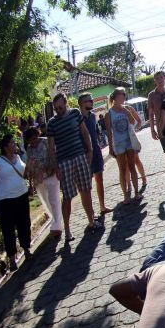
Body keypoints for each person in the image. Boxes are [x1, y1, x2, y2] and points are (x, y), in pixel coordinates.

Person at [46, 92, 98, 240]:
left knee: (86, 190)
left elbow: (84, 132)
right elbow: (51, 148)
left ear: (66, 103)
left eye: (61, 107)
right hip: (64, 162)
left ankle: (91, 221)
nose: (58, 111)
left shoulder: (75, 113)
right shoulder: (52, 123)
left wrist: (90, 150)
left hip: (80, 156)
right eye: (56, 109)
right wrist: (56, 167)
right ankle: (67, 230)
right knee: (67, 196)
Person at [0, 133, 32, 271]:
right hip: (5, 201)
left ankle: (27, 249)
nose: (15, 144)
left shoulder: (18, 158)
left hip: (22, 196)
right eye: (12, 143)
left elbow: (24, 174)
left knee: (24, 224)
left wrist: (29, 166)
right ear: (6, 147)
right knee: (8, 230)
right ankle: (12, 259)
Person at [103, 87, 144, 206]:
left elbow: (133, 122)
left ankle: (136, 192)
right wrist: (111, 148)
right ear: (115, 97)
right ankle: (126, 195)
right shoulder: (109, 114)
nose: (124, 97)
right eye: (122, 94)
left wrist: (127, 112)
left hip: (129, 142)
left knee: (132, 167)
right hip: (118, 144)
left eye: (124, 95)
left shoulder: (126, 109)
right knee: (122, 169)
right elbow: (109, 132)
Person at [23, 126, 63, 239]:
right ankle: (55, 219)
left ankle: (57, 226)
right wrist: (31, 180)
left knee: (54, 199)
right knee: (46, 201)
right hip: (39, 178)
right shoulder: (29, 148)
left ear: (38, 135)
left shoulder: (46, 141)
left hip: (51, 174)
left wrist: (55, 168)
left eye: (34, 138)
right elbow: (30, 163)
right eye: (30, 140)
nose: (33, 141)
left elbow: (54, 154)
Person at [77, 93, 111, 220]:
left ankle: (102, 206)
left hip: (96, 150)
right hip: (85, 153)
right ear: (82, 103)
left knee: (99, 179)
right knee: (87, 185)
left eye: (91, 100)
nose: (92, 102)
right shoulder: (77, 118)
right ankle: (91, 214)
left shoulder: (92, 116)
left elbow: (95, 132)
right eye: (89, 100)